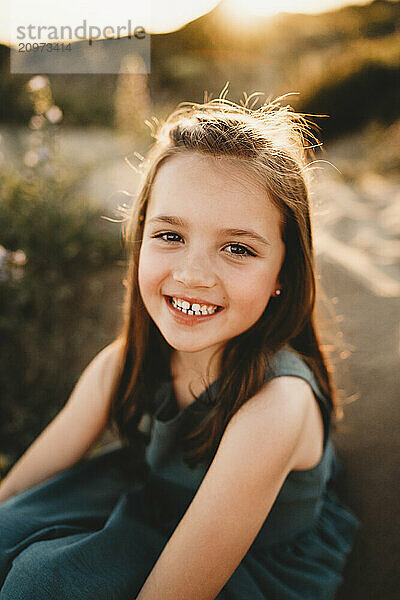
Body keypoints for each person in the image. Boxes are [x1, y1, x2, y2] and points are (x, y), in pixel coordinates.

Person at [0, 94, 359, 599]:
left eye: (237, 248)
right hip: (156, 506)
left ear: (284, 272)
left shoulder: (276, 406)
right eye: (170, 234)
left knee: (44, 585)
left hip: (248, 564)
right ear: (140, 235)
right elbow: (16, 491)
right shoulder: (126, 363)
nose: (192, 275)